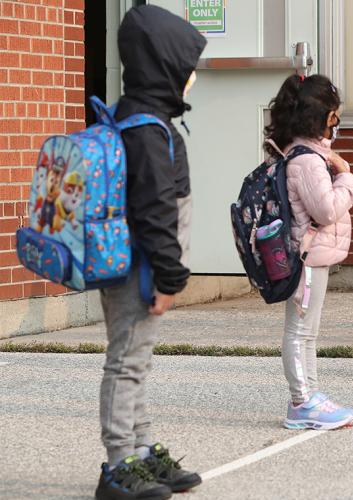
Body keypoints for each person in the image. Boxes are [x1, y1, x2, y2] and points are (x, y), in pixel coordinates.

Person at [95, 6, 206, 500]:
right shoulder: (145, 128)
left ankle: (140, 450)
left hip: (138, 264)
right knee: (126, 361)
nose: (193, 77)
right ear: (165, 67)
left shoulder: (139, 117)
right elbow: (155, 208)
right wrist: (169, 276)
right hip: (141, 268)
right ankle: (118, 464)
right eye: (188, 66)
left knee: (136, 358)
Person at [264, 74, 353, 430]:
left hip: (309, 255)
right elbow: (326, 210)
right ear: (321, 117)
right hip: (306, 257)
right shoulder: (307, 160)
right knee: (300, 331)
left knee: (308, 331)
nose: (337, 124)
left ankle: (311, 397)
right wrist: (347, 176)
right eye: (334, 116)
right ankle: (301, 401)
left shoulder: (303, 154)